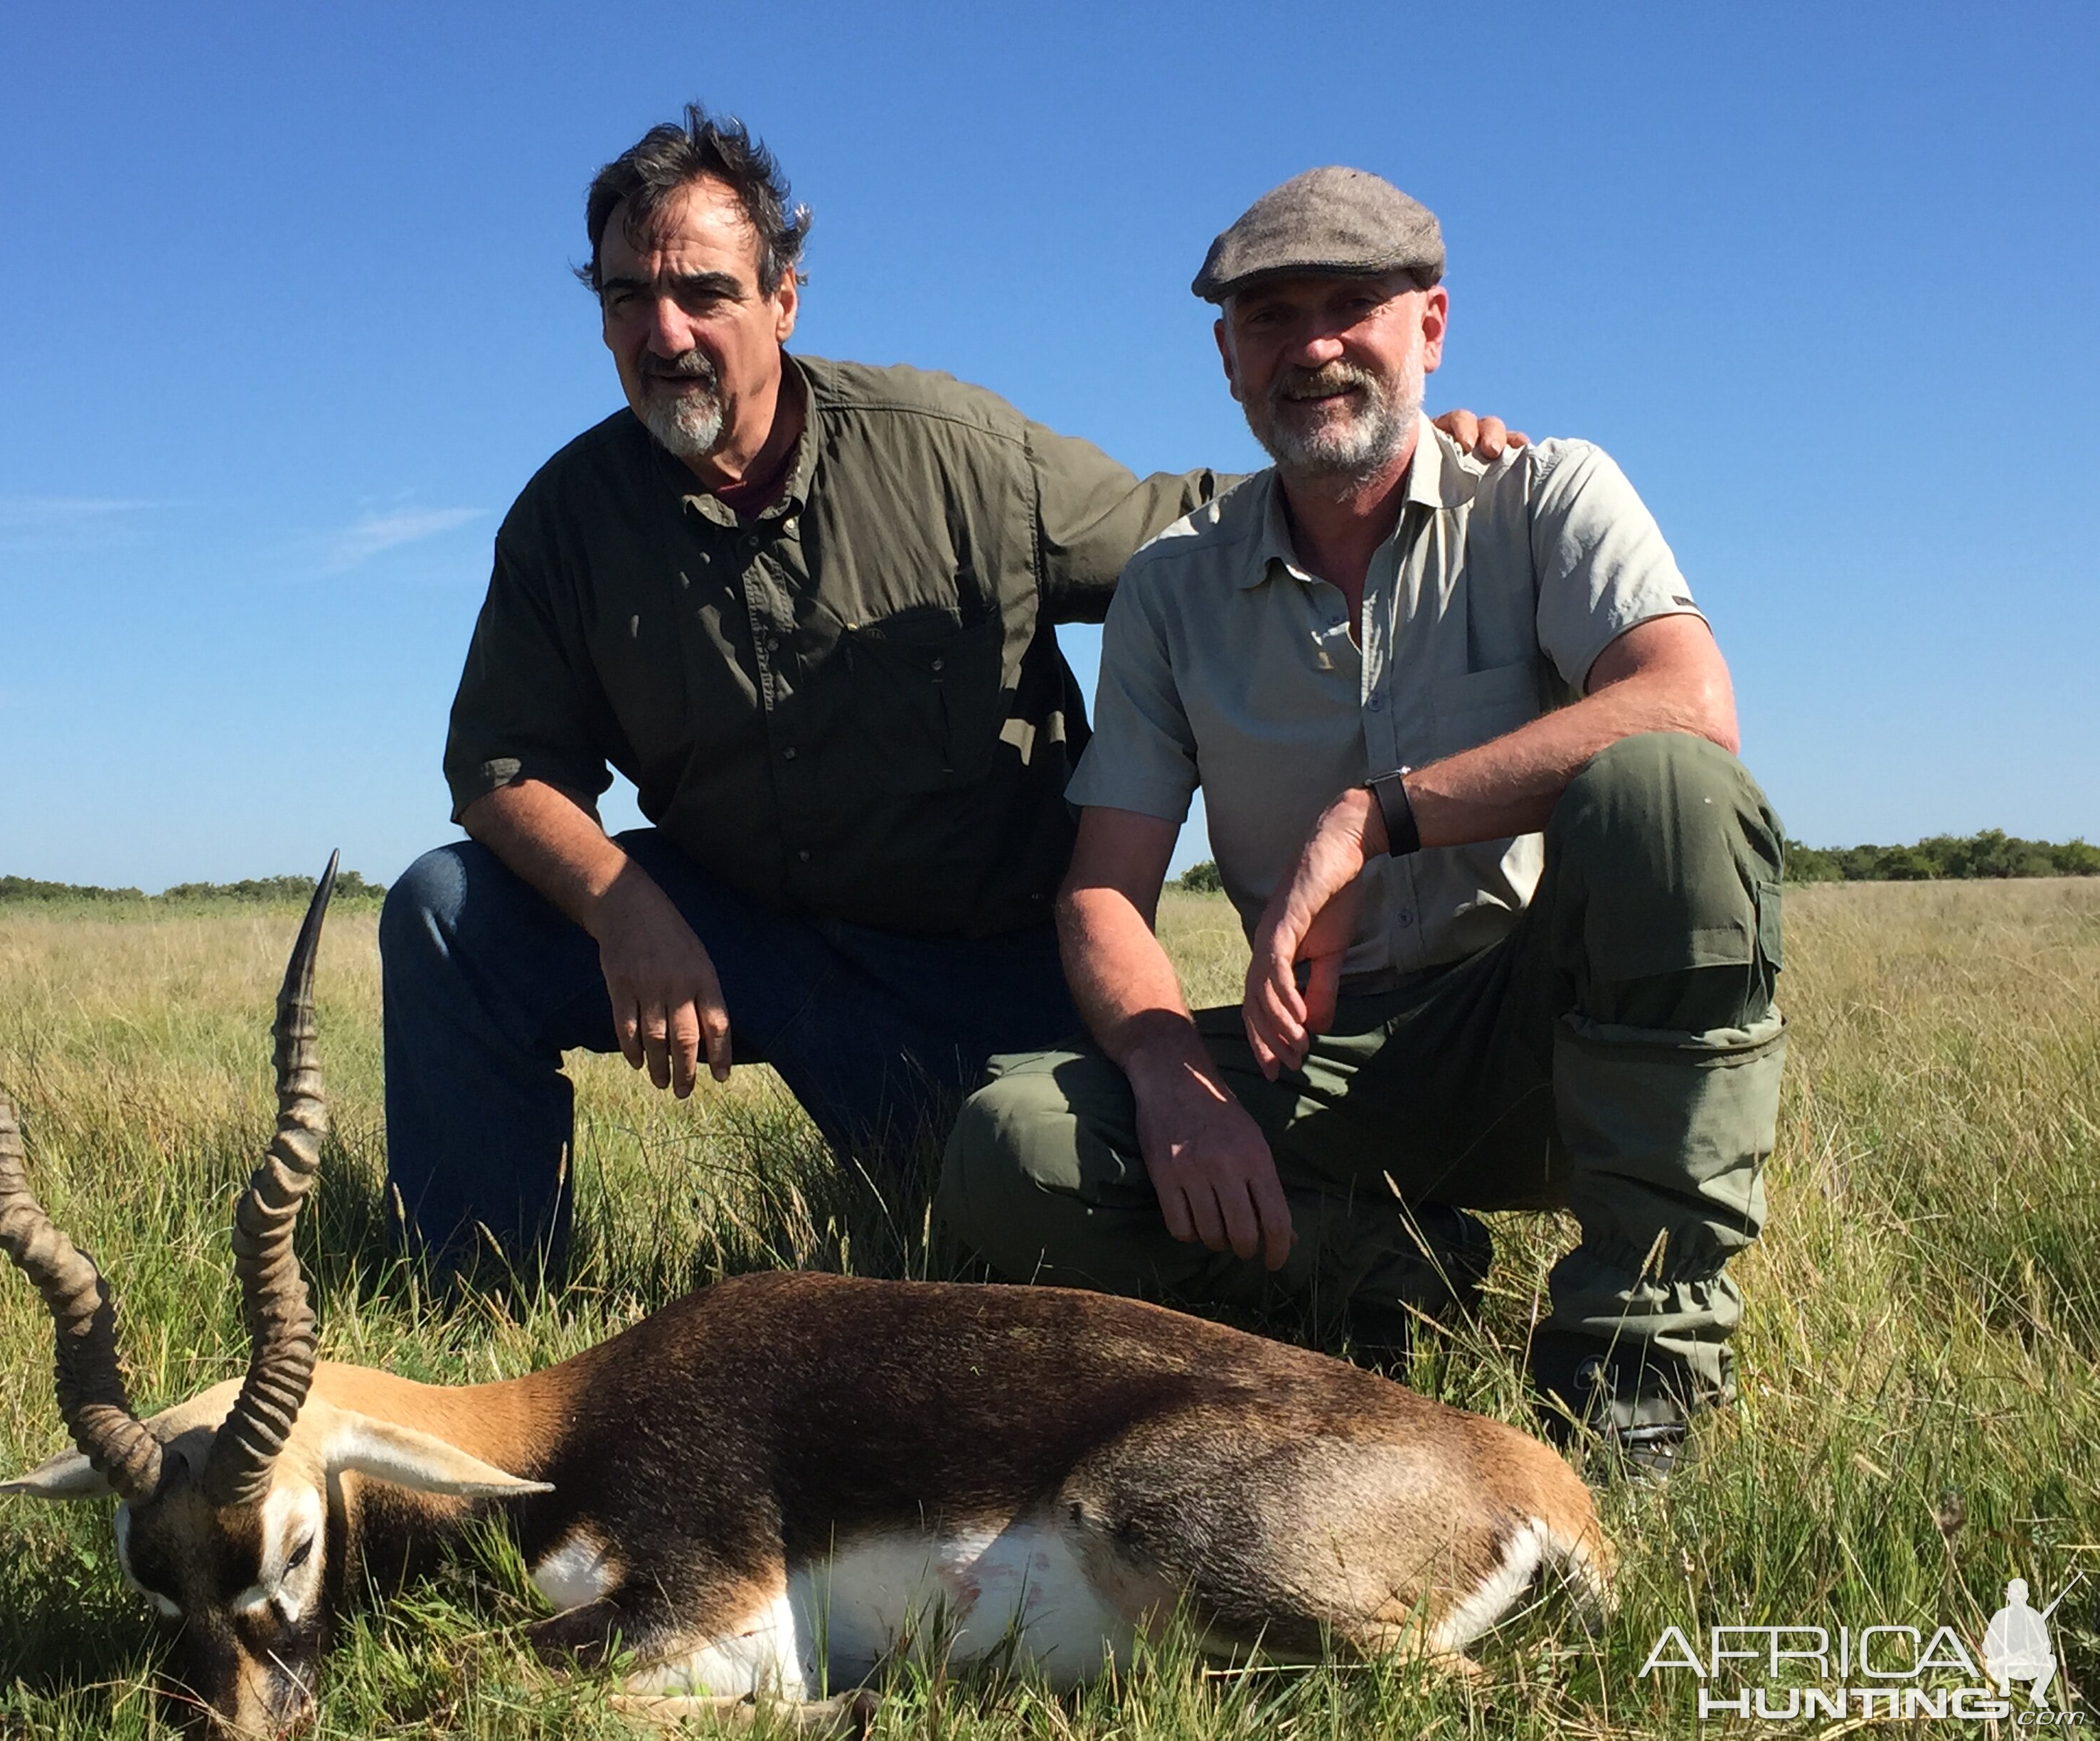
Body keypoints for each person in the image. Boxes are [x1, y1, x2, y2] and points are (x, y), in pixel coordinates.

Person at [378, 114, 1520, 1278]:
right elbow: (502, 766)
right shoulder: (566, 520)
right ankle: (479, 1297)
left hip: (983, 968)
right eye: (628, 298)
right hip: (745, 939)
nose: (663, 332)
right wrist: (624, 904)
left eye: (705, 293)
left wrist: (1404, 455)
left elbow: (1186, 529)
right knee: (445, 912)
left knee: (1000, 1246)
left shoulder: (955, 456)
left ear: (784, 300)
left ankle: (1390, 1262)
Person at [939, 166, 1786, 1474]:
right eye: (1272, 316)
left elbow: (1689, 701)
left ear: (1430, 328)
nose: (1315, 345)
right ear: (1228, 357)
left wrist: (1376, 817)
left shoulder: (1545, 494)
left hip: (1550, 1040)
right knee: (1014, 1147)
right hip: (1319, 1061)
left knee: (1670, 790)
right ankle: (1389, 1274)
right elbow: (1105, 888)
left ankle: (1636, 1377)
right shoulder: (1172, 589)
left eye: (1355, 305)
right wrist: (1174, 1077)